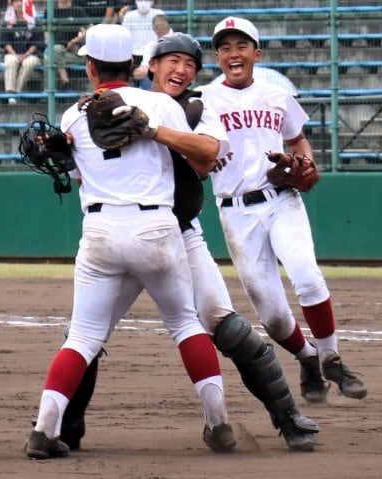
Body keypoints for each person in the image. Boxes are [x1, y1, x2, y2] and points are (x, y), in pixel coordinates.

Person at [59, 32, 320, 454]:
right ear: (151, 67)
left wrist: (153, 129)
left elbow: (205, 160)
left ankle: (287, 416)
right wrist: (64, 146)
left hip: (179, 235)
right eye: (172, 61)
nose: (181, 70)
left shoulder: (201, 108)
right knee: (84, 334)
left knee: (224, 324)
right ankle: (65, 428)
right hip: (120, 233)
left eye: (190, 64)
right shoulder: (113, 107)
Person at [25, 23, 236, 459]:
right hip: (156, 228)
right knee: (184, 324)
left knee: (82, 336)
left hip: (99, 230)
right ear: (136, 65)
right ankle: (219, 425)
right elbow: (201, 156)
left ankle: (44, 430)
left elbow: (80, 175)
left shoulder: (73, 115)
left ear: (89, 68)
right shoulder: (160, 103)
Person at [197, 16, 367, 405]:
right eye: (224, 47)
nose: (233, 53)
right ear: (218, 57)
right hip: (236, 212)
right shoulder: (203, 100)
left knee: (307, 276)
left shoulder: (277, 95)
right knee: (273, 317)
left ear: (256, 54)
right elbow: (193, 148)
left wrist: (304, 163)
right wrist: (204, 156)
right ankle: (307, 358)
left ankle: (331, 358)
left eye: (241, 46)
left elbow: (298, 140)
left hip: (281, 201)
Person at [0, 0, 44, 104]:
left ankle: (16, 93)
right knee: (11, 61)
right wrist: (15, 55)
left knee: (30, 62)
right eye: (16, 1)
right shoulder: (7, 22)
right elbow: (5, 43)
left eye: (21, 1)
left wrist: (25, 55)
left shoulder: (35, 22)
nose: (19, 3)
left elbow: (37, 43)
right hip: (12, 53)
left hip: (31, 54)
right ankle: (10, 93)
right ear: (12, 4)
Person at [45, 0, 88, 87]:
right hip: (55, 51)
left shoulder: (78, 10)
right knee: (55, 51)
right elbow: (46, 32)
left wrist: (75, 40)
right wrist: (49, 43)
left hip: (73, 52)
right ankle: (63, 75)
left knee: (50, 58)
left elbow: (89, 28)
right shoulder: (49, 11)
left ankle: (49, 91)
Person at [132, 13, 171, 90]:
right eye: (156, 26)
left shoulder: (176, 42)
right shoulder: (150, 45)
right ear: (153, 29)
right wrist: (140, 70)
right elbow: (145, 64)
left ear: (168, 27)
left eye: (162, 25)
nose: (159, 28)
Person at [121, 0, 164, 67]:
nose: (143, 2)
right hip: (133, 55)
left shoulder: (159, 14)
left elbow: (164, 36)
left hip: (153, 54)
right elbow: (124, 38)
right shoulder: (129, 16)